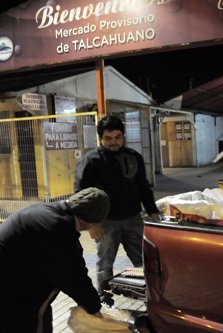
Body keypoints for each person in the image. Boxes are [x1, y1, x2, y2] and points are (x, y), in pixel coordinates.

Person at [74, 114, 160, 306]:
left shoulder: (133, 157)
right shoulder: (90, 160)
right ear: (100, 138)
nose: (113, 142)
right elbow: (81, 194)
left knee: (142, 261)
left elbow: (143, 187)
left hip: (133, 219)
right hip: (105, 223)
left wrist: (153, 212)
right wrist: (91, 224)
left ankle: (149, 298)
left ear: (123, 136)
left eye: (117, 137)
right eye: (108, 138)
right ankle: (105, 300)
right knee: (105, 264)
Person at [0, 187, 110, 333]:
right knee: (28, 323)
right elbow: (73, 276)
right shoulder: (57, 228)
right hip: (12, 292)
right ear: (89, 220)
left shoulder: (53, 213)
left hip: (16, 280)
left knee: (42, 316)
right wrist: (94, 309)